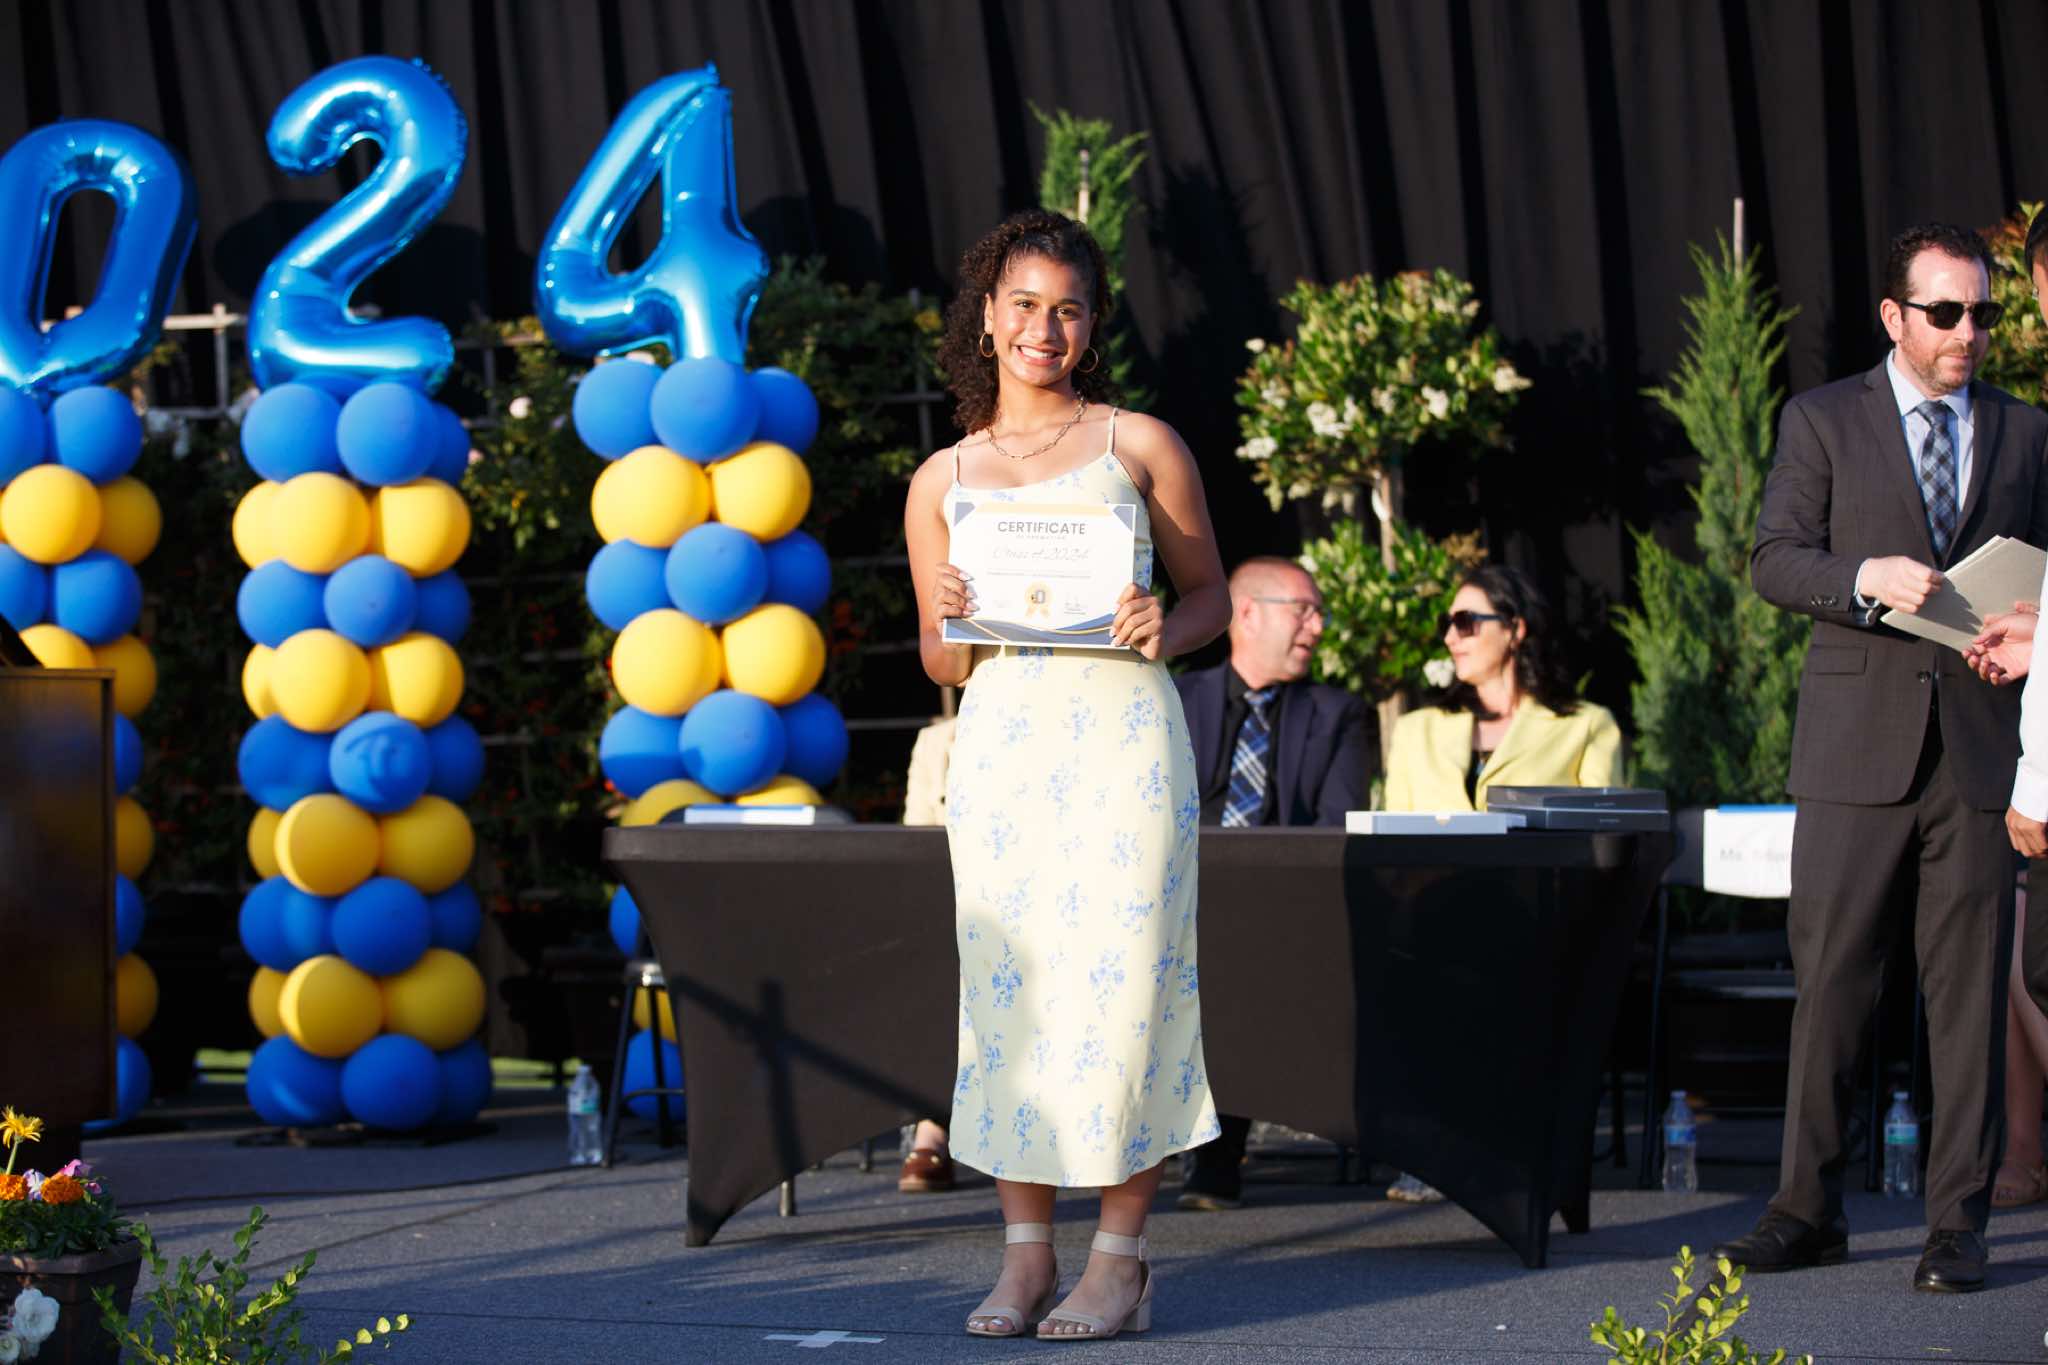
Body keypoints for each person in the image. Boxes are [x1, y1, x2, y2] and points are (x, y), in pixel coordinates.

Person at [905, 208, 1229, 1340]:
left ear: (1092, 327)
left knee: (1128, 986)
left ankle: (1119, 1260)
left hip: (1124, 744)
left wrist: (1163, 622)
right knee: (1012, 996)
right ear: (987, 316)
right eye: (1025, 306)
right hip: (1004, 751)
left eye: (1069, 310)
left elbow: (1211, 597)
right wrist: (950, 616)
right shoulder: (940, 477)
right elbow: (942, 661)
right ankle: (1025, 1258)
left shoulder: (1138, 445)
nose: (1044, 329)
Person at [1721, 222, 2048, 1294]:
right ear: (1893, 316)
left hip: (1979, 747)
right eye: (1945, 312)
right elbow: (1774, 559)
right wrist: (1862, 576)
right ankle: (1804, 1209)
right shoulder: (1823, 419)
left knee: (1967, 1001)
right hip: (1854, 748)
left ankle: (1955, 1224)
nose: (1967, 332)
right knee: (1831, 986)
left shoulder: (2025, 430)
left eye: (1983, 312)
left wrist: (2032, 625)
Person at [1378, 562, 1622, 1201]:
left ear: (1515, 629)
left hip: (1536, 916)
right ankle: (1438, 1147)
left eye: (1466, 621)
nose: (1450, 637)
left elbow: (1602, 842)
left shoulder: (1585, 725)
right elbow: (1392, 841)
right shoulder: (1418, 730)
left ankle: (1474, 1148)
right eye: (1447, 624)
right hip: (1432, 917)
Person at [1171, 556, 1375, 1210]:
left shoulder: (1338, 714)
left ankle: (1215, 1157)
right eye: (1304, 610)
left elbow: (1335, 826)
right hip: (1177, 895)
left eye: (1319, 612)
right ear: (1248, 614)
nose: (1317, 626)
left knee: (1238, 953)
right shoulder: (1176, 697)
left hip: (1281, 906)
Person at [897, 715, 960, 1194]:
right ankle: (931, 1125)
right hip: (956, 896)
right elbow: (917, 841)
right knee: (926, 965)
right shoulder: (938, 741)